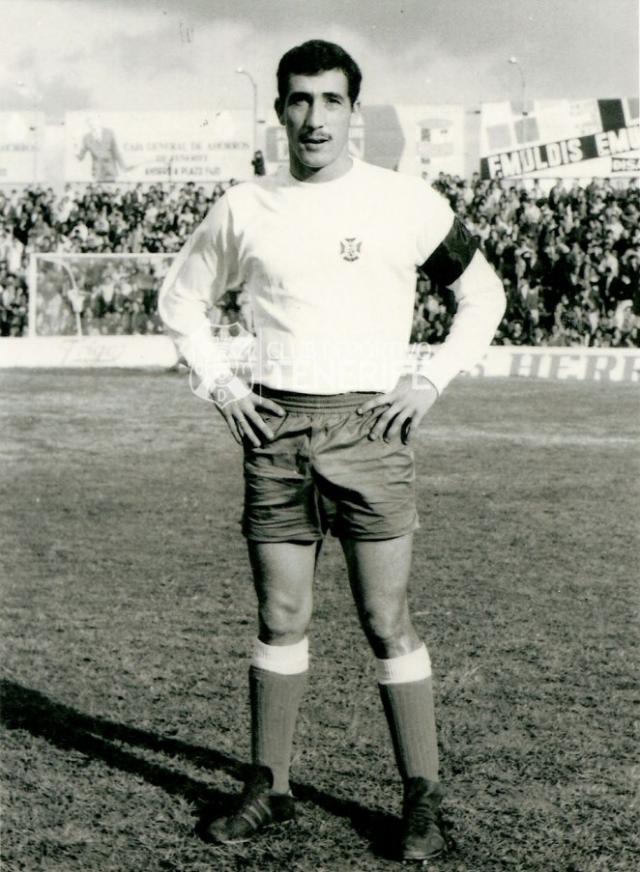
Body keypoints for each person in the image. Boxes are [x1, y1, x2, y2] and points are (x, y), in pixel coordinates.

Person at [159, 39, 506, 863]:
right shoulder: (245, 206)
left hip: (371, 432)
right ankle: (268, 786)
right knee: (282, 615)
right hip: (274, 429)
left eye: (331, 101)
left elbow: (482, 293)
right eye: (299, 101)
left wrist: (429, 382)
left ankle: (421, 797)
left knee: (387, 619)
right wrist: (223, 387)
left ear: (354, 109)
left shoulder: (404, 201)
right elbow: (181, 300)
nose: (314, 118)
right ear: (279, 110)